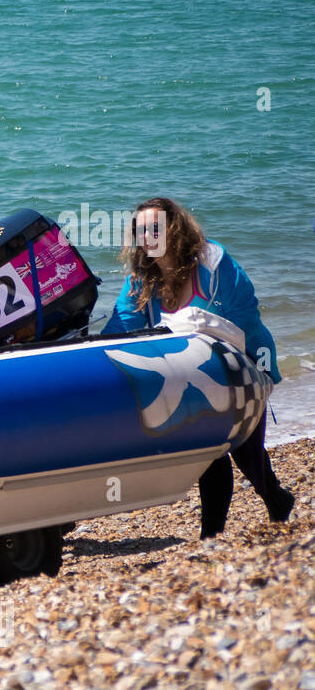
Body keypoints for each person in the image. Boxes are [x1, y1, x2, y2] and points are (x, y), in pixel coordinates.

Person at [104, 197, 294, 538]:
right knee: (209, 451)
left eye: (155, 228)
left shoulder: (211, 262)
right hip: (186, 373)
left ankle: (276, 499)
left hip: (240, 363)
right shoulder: (140, 279)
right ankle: (211, 536)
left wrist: (249, 368)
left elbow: (244, 314)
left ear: (174, 229)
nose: (147, 236)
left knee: (248, 457)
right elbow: (122, 327)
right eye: (140, 230)